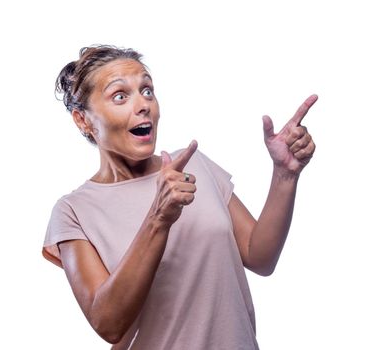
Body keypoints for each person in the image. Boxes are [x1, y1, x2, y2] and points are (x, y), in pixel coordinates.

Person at [42, 45, 317, 350]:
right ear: (83, 120)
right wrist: (159, 218)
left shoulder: (193, 165)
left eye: (147, 90)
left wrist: (285, 174)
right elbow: (108, 323)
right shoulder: (74, 212)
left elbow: (260, 256)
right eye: (120, 96)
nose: (143, 104)